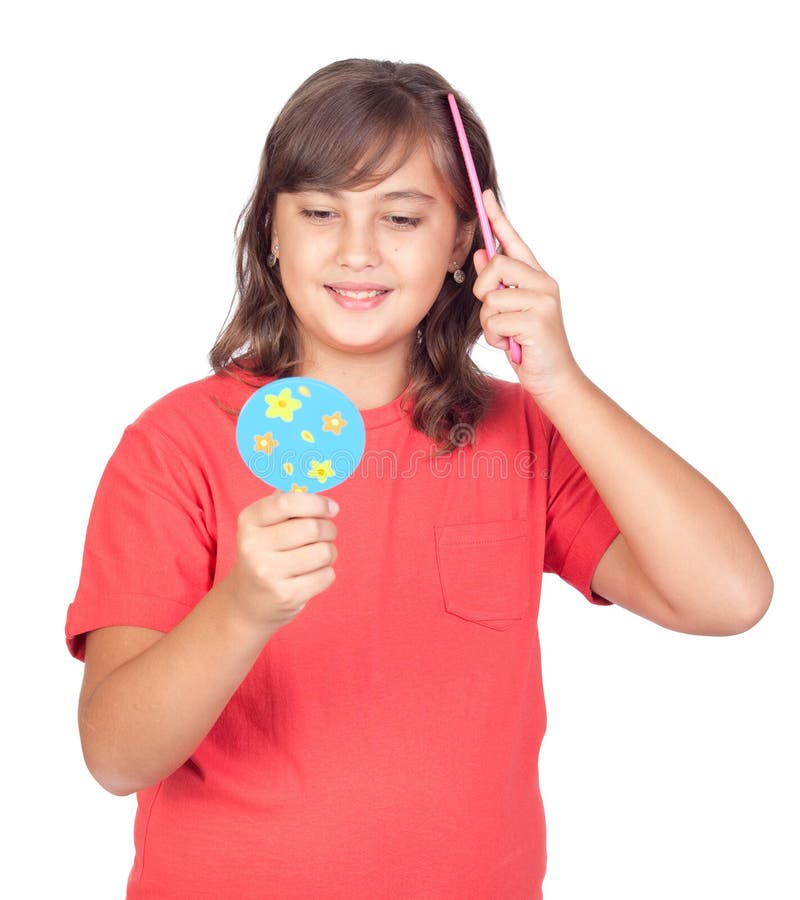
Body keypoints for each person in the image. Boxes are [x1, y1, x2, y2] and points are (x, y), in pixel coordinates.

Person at [66, 58, 773, 899]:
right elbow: (115, 756)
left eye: (401, 217)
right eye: (321, 212)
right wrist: (243, 608)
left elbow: (730, 596)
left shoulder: (524, 435)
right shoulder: (174, 445)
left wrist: (562, 382)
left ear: (464, 245)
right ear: (271, 234)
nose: (357, 250)